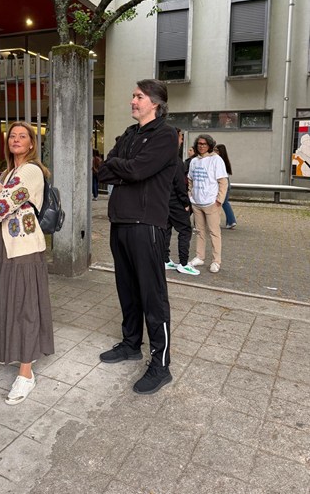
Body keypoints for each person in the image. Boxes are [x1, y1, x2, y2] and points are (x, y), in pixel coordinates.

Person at [97, 79, 178, 395]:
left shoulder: (165, 135)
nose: (132, 100)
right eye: (133, 95)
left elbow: (136, 171)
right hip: (120, 222)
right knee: (127, 290)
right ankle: (131, 344)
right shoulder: (130, 134)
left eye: (139, 96)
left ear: (155, 102)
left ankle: (161, 365)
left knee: (152, 296)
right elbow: (104, 171)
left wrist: (123, 168)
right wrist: (124, 168)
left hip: (147, 225)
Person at [0, 121, 54, 405]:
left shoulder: (31, 171)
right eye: (12, 135)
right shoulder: (7, 172)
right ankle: (14, 351)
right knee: (8, 301)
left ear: (31, 143)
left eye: (23, 136)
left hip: (24, 247)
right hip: (6, 246)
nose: (16, 139)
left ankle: (26, 373)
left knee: (25, 306)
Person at [188, 134, 228, 274]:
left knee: (214, 232)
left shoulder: (216, 160)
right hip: (197, 202)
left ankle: (216, 261)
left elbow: (223, 182)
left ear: (210, 145)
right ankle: (200, 257)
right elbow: (190, 179)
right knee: (199, 231)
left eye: (204, 144)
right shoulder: (194, 161)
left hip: (211, 202)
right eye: (199, 144)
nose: (201, 146)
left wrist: (219, 200)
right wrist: (190, 194)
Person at [165, 129, 199, 276]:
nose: (182, 140)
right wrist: (185, 203)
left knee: (166, 229)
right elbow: (180, 185)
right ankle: (184, 264)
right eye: (180, 137)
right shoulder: (176, 160)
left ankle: (164, 260)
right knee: (185, 230)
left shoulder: (160, 157)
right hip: (175, 201)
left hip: (163, 201)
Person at [214, 144, 237, 229]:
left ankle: (231, 221)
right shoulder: (225, 160)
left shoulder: (219, 161)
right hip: (227, 183)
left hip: (223, 183)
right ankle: (230, 222)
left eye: (216, 150)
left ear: (220, 152)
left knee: (224, 202)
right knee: (225, 202)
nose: (214, 152)